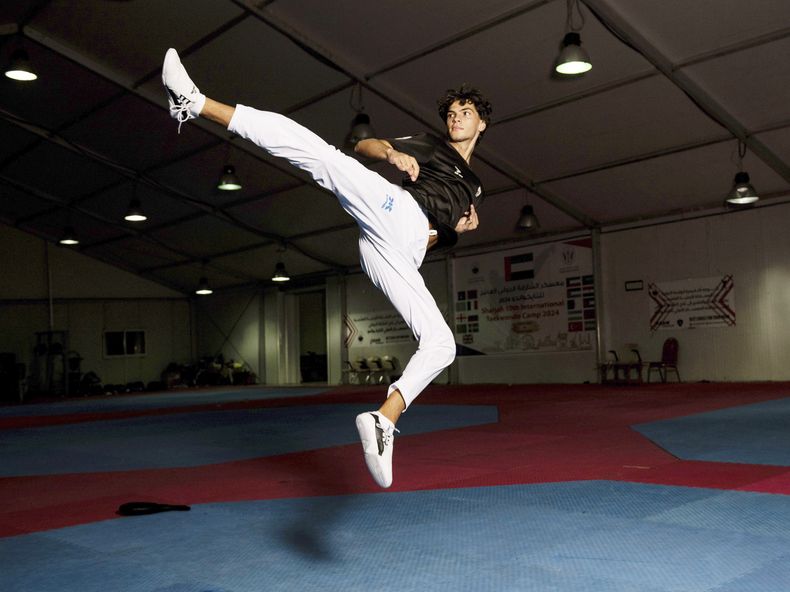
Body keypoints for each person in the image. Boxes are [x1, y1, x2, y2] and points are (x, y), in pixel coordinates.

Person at [162, 48, 492, 488]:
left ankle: (383, 420)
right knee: (327, 158)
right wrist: (390, 155)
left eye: (464, 113)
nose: (455, 119)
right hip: (396, 212)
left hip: (400, 251)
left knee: (442, 344)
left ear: (481, 123)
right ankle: (194, 102)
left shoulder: (475, 186)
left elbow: (443, 225)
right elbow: (364, 145)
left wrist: (459, 227)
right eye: (451, 112)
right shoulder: (432, 145)